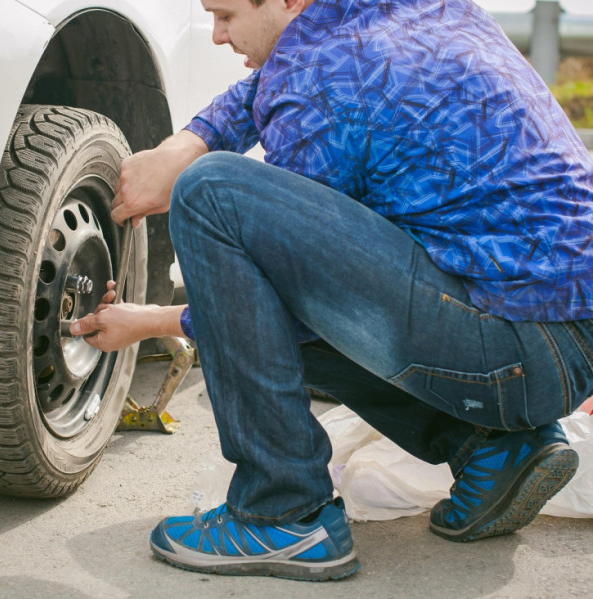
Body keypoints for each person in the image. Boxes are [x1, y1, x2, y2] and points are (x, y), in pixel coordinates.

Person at [70, 0, 593, 582]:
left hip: (511, 355)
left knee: (211, 193)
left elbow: (274, 303)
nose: (216, 36)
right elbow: (270, 81)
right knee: (220, 191)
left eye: (227, 15)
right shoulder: (401, 12)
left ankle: (283, 512)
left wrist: (150, 320)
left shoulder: (321, 86)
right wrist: (186, 142)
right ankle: (492, 447)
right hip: (565, 344)